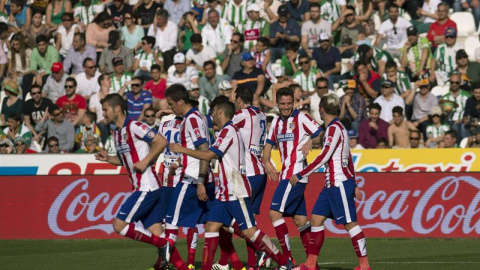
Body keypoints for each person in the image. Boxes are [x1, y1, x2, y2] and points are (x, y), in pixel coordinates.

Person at [170, 97, 294, 270]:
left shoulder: (229, 130)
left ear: (220, 111)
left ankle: (283, 262)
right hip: (224, 192)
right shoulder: (225, 131)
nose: (211, 116)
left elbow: (208, 155)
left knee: (249, 231)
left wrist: (181, 149)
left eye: (213, 112)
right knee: (212, 226)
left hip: (237, 190)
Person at [94, 93, 188, 270]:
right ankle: (179, 265)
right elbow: (125, 161)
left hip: (147, 187)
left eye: (105, 110)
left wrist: (146, 160)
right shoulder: (117, 132)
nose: (103, 114)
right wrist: (108, 158)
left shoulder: (134, 126)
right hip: (142, 186)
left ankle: (162, 245)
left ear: (117, 109)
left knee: (119, 225)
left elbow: (161, 141)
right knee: (156, 232)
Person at [289, 93, 370, 270]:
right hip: (330, 185)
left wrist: (301, 173)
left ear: (321, 110)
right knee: (316, 220)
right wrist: (355, 183)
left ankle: (364, 266)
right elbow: (348, 159)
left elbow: (324, 156)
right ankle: (310, 264)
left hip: (339, 183)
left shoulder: (334, 129)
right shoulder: (336, 128)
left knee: (350, 224)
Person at [263, 87, 322, 263]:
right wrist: (266, 162)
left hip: (295, 175)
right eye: (283, 104)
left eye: (289, 103)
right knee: (300, 219)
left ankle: (287, 260)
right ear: (277, 103)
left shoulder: (302, 118)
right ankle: (312, 264)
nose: (286, 107)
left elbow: (321, 134)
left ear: (294, 103)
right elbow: (267, 147)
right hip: (286, 175)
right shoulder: (275, 123)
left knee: (274, 214)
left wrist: (311, 140)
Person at [162, 84, 214, 270]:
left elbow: (203, 150)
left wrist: (200, 182)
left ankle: (166, 263)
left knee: (171, 221)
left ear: (181, 101)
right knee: (219, 223)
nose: (170, 108)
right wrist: (179, 162)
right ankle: (260, 249)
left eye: (171, 104)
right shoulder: (195, 118)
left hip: (192, 180)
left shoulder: (191, 120)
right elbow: (196, 151)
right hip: (199, 176)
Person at [439, 72, 471, 140]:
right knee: (453, 126)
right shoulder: (444, 98)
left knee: (460, 126)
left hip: (462, 121)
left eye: (456, 82)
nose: (454, 84)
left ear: (460, 83)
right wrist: (442, 111)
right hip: (448, 122)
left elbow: (470, 112)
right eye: (452, 82)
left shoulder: (467, 97)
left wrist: (461, 120)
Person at [89, 74, 112, 143]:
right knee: (101, 126)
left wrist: (108, 120)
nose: (110, 80)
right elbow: (92, 116)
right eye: (108, 79)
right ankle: (104, 146)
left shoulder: (114, 94)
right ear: (102, 82)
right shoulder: (94, 97)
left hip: (112, 121)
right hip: (99, 123)